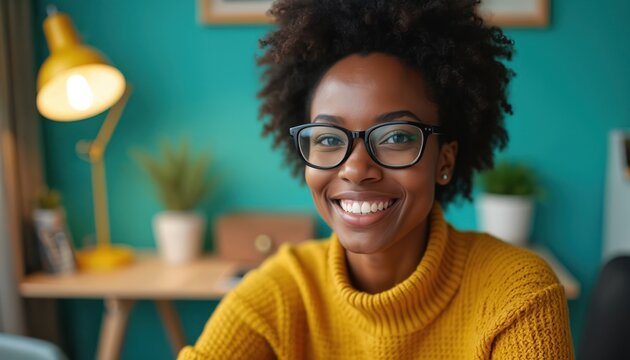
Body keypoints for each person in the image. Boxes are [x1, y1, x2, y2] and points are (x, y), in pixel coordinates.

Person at [179, 0, 574, 358]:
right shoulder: (281, 291)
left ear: (445, 160)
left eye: (397, 137)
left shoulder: (517, 295)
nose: (355, 168)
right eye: (329, 139)